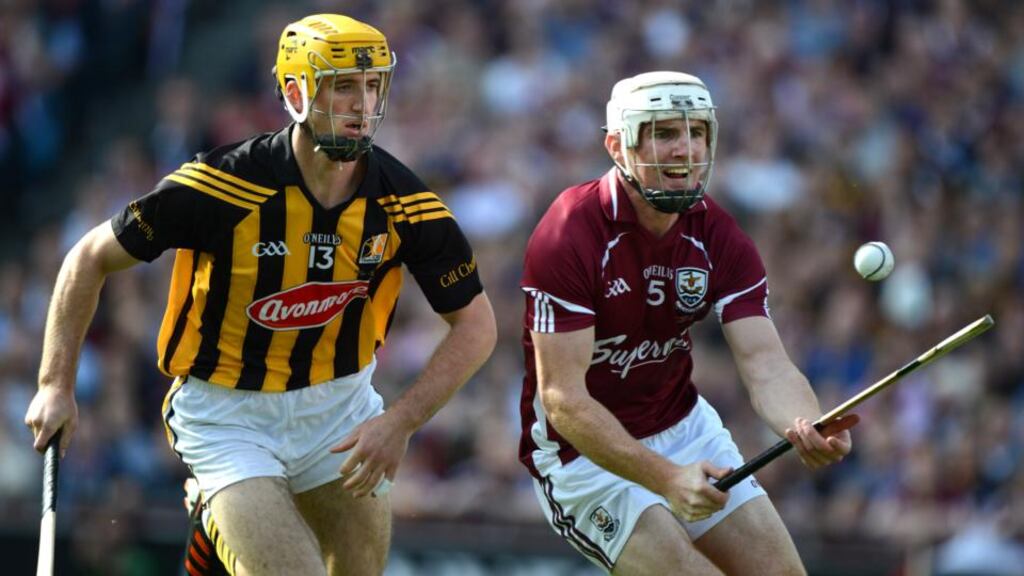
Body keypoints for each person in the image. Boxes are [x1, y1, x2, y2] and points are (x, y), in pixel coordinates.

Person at [24, 13, 496, 576]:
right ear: (296, 92)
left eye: (373, 86)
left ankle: (212, 533)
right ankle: (218, 505)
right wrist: (55, 384)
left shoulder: (406, 204)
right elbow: (89, 257)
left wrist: (401, 421)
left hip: (339, 408)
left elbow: (477, 326)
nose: (363, 105)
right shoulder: (220, 186)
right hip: (229, 415)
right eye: (343, 86)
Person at [518, 71, 854, 575]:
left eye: (696, 133)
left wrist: (805, 423)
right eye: (664, 133)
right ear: (617, 146)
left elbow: (765, 363)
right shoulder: (569, 232)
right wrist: (666, 478)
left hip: (683, 429)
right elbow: (563, 399)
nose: (686, 150)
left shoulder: (717, 234)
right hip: (583, 455)